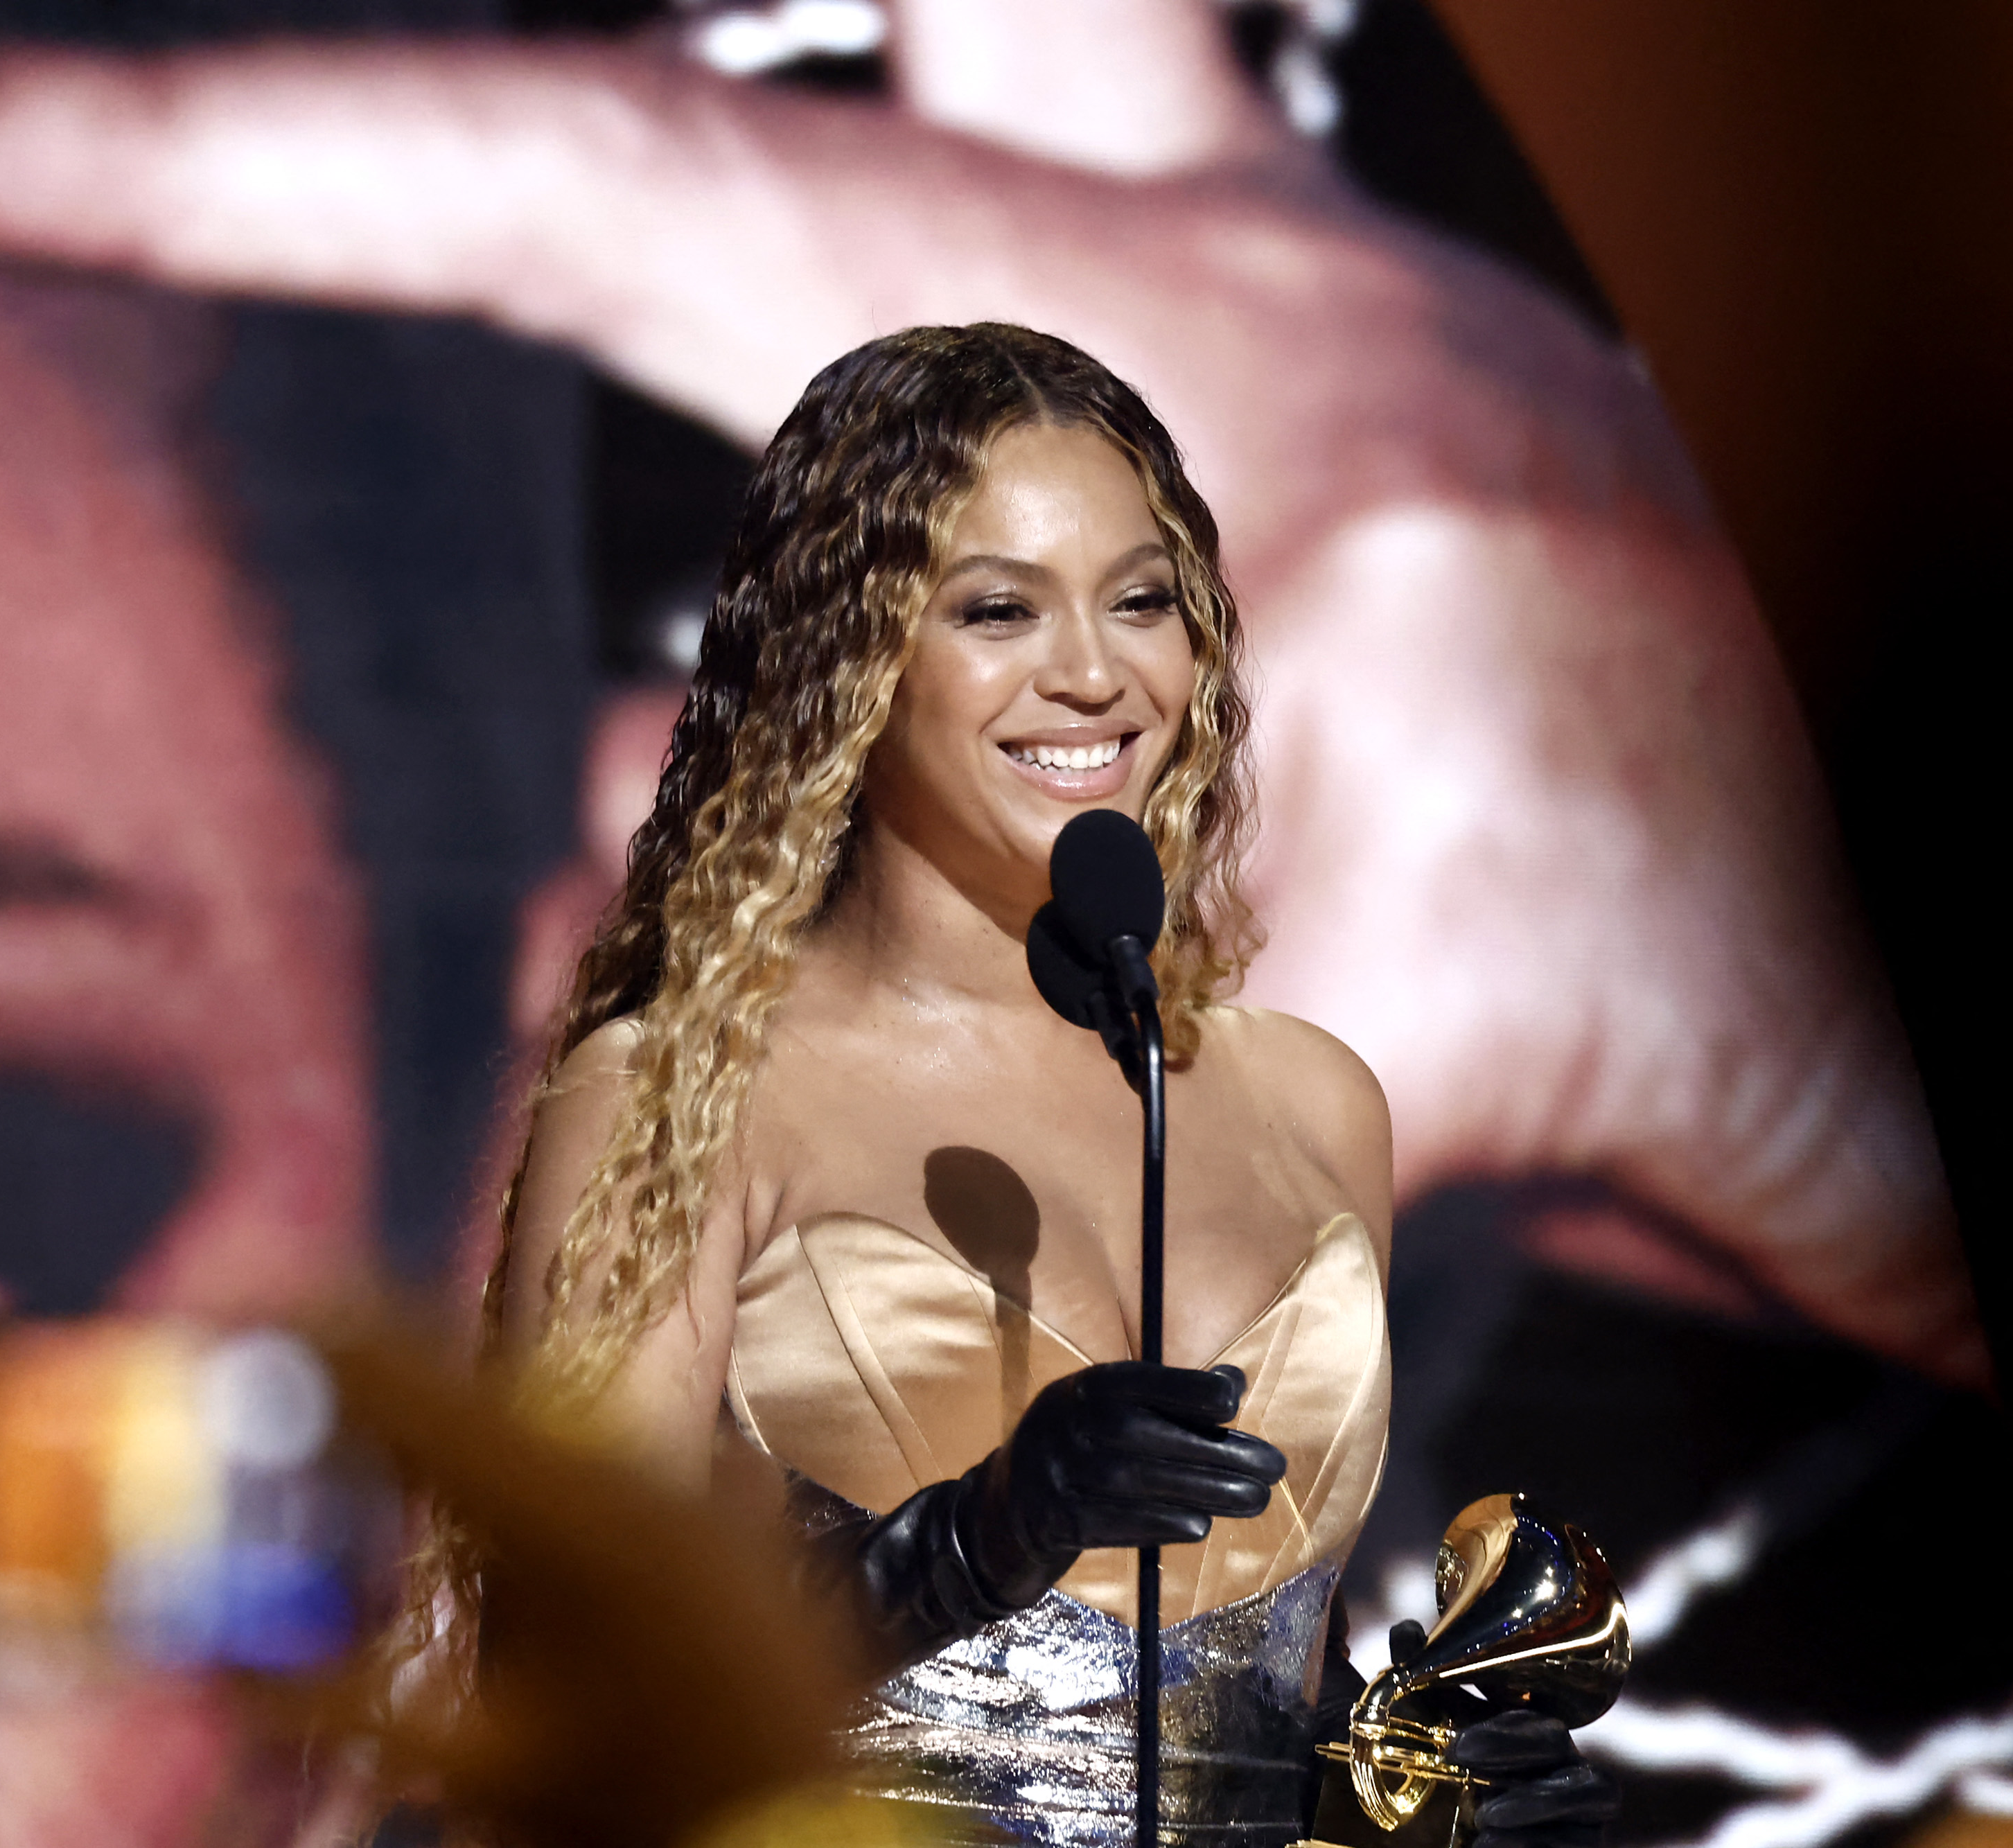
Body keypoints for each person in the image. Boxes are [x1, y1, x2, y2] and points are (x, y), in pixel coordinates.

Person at [484, 323, 1613, 1847]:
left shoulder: (1316, 1104)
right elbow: (561, 1700)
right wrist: (957, 1549)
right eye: (998, 610)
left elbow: (1226, 1709)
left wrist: (1408, 1796)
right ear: (847, 661)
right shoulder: (679, 1091)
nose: (1092, 673)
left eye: (1141, 600)